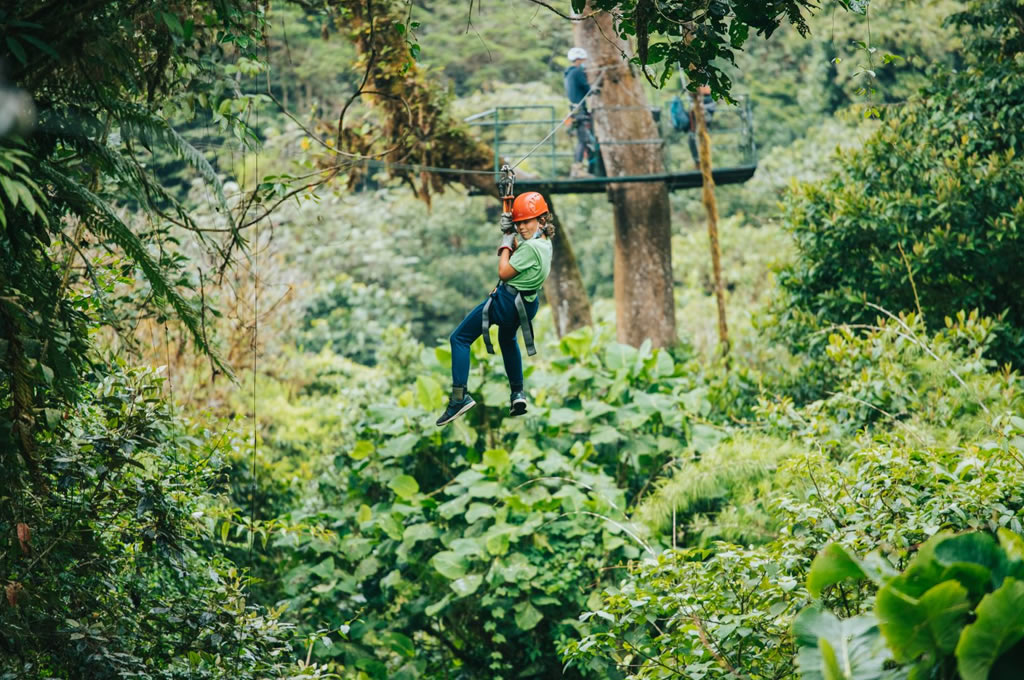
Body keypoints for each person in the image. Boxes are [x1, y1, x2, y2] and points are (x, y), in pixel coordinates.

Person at [436, 192, 554, 427]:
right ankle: (517, 394)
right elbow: (524, 248)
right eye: (519, 223)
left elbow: (504, 271)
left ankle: (459, 398)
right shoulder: (544, 243)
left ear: (542, 220)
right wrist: (511, 233)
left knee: (459, 338)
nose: (521, 227)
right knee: (507, 339)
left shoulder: (530, 248)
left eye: (526, 222)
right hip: (527, 304)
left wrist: (505, 243)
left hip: (507, 303)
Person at [563, 47, 596, 178]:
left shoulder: (569, 73)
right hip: (579, 110)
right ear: (577, 60)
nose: (584, 62)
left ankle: (583, 168)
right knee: (583, 140)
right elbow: (588, 88)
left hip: (575, 109)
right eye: (582, 60)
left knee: (584, 139)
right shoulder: (577, 72)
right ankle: (577, 169)